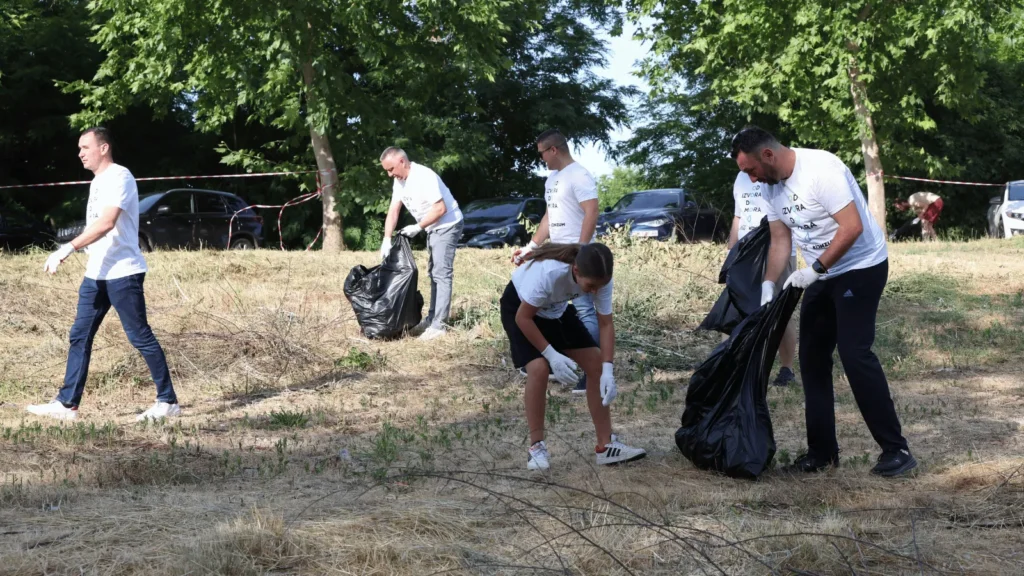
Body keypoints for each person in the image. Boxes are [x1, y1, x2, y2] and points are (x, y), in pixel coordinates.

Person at [731, 126, 917, 478]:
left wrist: (815, 269)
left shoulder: (821, 171)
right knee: (811, 358)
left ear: (767, 155)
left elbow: (852, 227)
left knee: (854, 353)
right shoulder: (770, 187)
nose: (751, 180)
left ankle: (897, 451)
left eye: (751, 170)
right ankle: (822, 453)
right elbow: (780, 239)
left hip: (861, 266)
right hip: (821, 274)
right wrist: (769, 284)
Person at [27, 127, 181, 422]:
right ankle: (67, 404)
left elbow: (107, 223)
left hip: (123, 272)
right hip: (96, 273)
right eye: (79, 148)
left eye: (85, 147)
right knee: (80, 335)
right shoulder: (97, 182)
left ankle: (167, 401)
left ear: (104, 148)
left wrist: (66, 249)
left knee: (139, 336)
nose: (80, 153)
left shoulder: (120, 177)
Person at [502, 242, 646, 470]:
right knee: (538, 368)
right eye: (590, 287)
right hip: (520, 310)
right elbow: (523, 319)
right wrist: (552, 355)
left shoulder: (600, 278)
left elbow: (606, 324)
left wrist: (608, 370)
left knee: (596, 363)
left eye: (600, 286)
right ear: (576, 271)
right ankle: (536, 447)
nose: (595, 292)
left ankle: (605, 446)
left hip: (556, 310)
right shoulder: (550, 272)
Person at [512, 129, 599, 395]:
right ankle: (556, 362)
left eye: (542, 154)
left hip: (577, 253)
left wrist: (582, 251)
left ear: (553, 150)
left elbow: (591, 211)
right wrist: (531, 248)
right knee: (551, 305)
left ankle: (591, 372)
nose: (542, 160)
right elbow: (549, 219)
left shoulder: (580, 175)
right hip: (556, 253)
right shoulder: (552, 180)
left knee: (585, 310)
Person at [379, 147, 465, 341]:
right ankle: (433, 317)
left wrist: (417, 227)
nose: (389, 174)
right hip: (432, 227)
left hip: (448, 224)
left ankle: (439, 326)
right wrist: (386, 239)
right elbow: (394, 210)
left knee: (441, 273)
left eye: (391, 169)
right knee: (433, 271)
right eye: (386, 170)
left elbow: (440, 208)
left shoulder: (424, 176)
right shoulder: (399, 181)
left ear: (402, 161)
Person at [729, 171, 798, 387]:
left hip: (777, 249)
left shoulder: (777, 174)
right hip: (745, 253)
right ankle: (734, 367)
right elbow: (738, 216)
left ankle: (786, 368)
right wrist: (731, 251)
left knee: (779, 309)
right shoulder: (740, 177)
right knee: (737, 308)